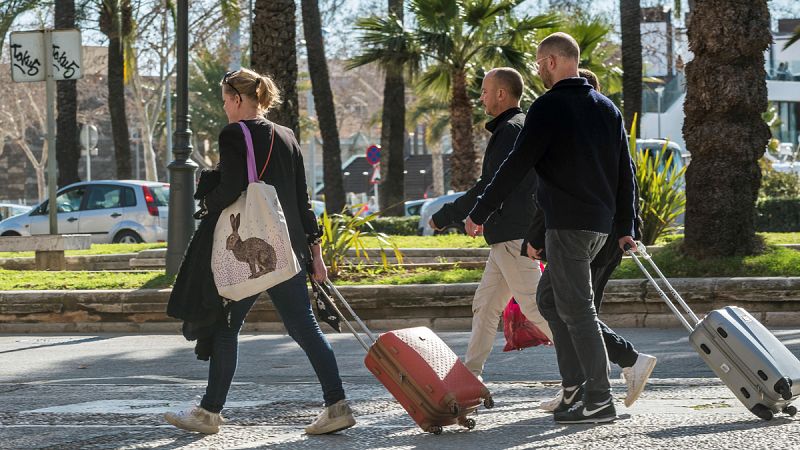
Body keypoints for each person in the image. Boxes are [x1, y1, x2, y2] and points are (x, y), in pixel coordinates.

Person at [164, 68, 356, 436]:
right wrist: (316, 254)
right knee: (304, 327)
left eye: (225, 101)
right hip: (287, 249)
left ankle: (208, 414)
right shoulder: (287, 136)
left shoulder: (234, 133)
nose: (224, 108)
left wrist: (207, 200)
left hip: (249, 253)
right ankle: (337, 404)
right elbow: (302, 201)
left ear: (237, 99)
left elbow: (234, 185)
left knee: (225, 327)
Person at [465, 32, 637, 424]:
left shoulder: (548, 107)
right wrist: (625, 225)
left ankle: (599, 399)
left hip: (569, 226)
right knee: (547, 300)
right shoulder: (607, 108)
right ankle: (574, 389)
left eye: (541, 63)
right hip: (598, 228)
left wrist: (480, 211)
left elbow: (516, 165)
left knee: (578, 310)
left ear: (554, 62)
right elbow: (625, 172)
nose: (539, 70)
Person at [530, 68, 657, 412]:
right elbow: (624, 180)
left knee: (575, 309)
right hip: (605, 232)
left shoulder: (589, 127)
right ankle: (580, 385)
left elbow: (568, 188)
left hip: (595, 235)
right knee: (562, 303)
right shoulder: (600, 123)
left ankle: (606, 381)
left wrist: (625, 228)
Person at [429, 67, 552, 378]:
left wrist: (449, 215)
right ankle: (470, 375)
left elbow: (493, 183)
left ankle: (592, 371)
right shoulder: (521, 126)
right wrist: (481, 214)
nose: (480, 98)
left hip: (514, 236)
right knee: (485, 306)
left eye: (484, 91)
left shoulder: (510, 129)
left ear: (501, 93)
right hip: (508, 235)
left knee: (538, 309)